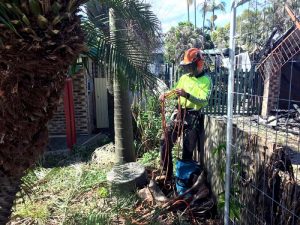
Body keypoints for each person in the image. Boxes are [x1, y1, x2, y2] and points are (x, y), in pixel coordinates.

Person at [159, 48, 212, 180]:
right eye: (187, 66)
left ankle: (183, 181)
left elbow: (203, 101)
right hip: (179, 113)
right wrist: (166, 95)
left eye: (190, 66)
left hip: (193, 116)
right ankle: (167, 174)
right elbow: (176, 91)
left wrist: (187, 95)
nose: (188, 69)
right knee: (165, 141)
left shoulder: (206, 80)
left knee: (187, 151)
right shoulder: (184, 78)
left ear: (198, 64)